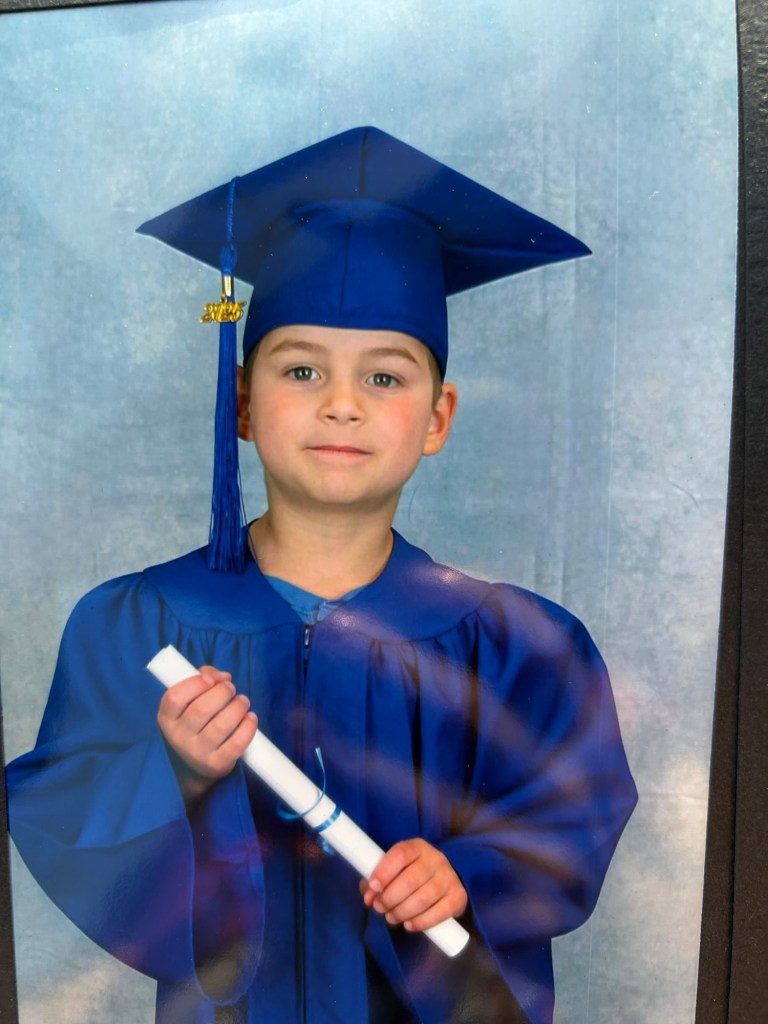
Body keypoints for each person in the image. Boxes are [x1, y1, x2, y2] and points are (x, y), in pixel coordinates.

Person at [6, 126, 637, 1024]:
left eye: (386, 378)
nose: (342, 404)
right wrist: (181, 774)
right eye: (301, 369)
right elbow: (63, 806)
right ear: (243, 403)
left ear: (438, 418)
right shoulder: (137, 624)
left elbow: (577, 811)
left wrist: (470, 873)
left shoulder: (522, 648)